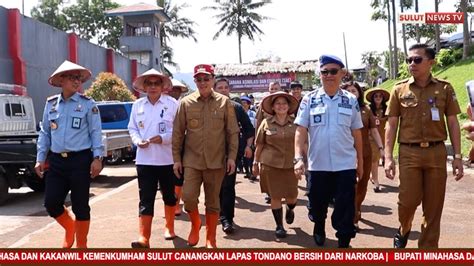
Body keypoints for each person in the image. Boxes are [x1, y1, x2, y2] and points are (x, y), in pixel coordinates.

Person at [385, 43, 463, 248]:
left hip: (436, 152)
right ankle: (404, 228)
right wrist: (387, 157)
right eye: (409, 60)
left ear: (431, 62)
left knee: (434, 206)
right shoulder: (399, 89)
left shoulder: (444, 88)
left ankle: (427, 251)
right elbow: (391, 125)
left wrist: (457, 156)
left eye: (417, 59)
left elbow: (453, 122)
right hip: (409, 152)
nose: (412, 63)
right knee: (407, 202)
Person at [294, 55, 363, 248]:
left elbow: (357, 134)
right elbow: (300, 130)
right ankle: (319, 225)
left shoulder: (350, 100)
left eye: (333, 71)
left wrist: (361, 165)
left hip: (345, 163)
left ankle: (344, 237)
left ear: (342, 74)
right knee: (317, 203)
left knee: (345, 205)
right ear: (320, 74)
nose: (329, 75)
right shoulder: (309, 99)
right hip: (318, 164)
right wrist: (298, 158)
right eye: (325, 72)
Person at [35, 60, 103, 248]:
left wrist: (97, 158)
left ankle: (82, 246)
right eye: (72, 78)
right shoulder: (51, 105)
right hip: (56, 162)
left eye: (78, 78)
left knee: (81, 205)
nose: (76, 81)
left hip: (80, 160)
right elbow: (45, 133)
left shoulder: (88, 104)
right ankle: (70, 227)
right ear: (61, 80)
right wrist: (40, 158)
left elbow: (96, 132)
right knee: (51, 203)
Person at [172, 64, 239, 248]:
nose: (202, 82)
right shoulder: (185, 103)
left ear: (213, 80)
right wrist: (177, 159)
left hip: (217, 161)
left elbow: (232, 132)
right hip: (192, 161)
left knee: (213, 202)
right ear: (195, 81)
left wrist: (232, 157)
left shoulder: (224, 103)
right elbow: (178, 133)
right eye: (198, 79)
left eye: (206, 78)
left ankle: (211, 238)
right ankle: (196, 223)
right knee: (189, 199)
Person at [128, 69, 178, 248]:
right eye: (149, 83)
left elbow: (180, 131)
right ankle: (144, 237)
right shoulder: (137, 105)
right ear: (144, 86)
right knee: (145, 198)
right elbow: (132, 128)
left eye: (157, 83)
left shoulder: (172, 104)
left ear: (163, 86)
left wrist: (163, 139)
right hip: (144, 160)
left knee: (169, 196)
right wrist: (137, 140)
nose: (153, 86)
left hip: (167, 159)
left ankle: (169, 227)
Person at [252, 91, 300, 238]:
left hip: (291, 165)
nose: (281, 106)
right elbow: (259, 144)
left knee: (292, 196)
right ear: (272, 107)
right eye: (278, 103)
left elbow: (302, 144)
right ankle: (279, 226)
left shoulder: (296, 123)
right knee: (275, 196)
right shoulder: (266, 124)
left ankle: (290, 209)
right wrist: (255, 162)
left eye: (284, 103)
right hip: (270, 164)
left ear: (288, 106)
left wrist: (303, 161)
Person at [341, 82, 384, 231]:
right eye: (348, 91)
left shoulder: (366, 110)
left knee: (362, 184)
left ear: (359, 93)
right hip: (344, 154)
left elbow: (374, 130)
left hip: (365, 153)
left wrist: (381, 148)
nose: (352, 93)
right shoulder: (338, 109)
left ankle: (357, 208)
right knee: (349, 185)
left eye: (354, 90)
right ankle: (352, 216)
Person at [214, 77, 254, 234]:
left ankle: (227, 220)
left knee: (228, 187)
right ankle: (218, 213)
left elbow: (249, 129)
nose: (223, 90)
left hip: (231, 154)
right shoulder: (207, 107)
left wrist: (249, 146)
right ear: (214, 89)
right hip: (210, 154)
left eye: (225, 87)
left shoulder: (237, 108)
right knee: (214, 187)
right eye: (220, 87)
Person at [365, 87, 390, 192]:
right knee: (375, 160)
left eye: (380, 96)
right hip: (371, 138)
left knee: (375, 159)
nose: (378, 98)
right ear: (372, 98)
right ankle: (376, 182)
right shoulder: (369, 109)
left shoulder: (386, 109)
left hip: (383, 137)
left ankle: (371, 175)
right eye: (376, 96)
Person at [241, 96, 257, 180]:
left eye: (245, 103)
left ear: (248, 104)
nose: (243, 105)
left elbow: (256, 126)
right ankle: (247, 171)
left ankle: (252, 172)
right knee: (243, 155)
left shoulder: (253, 114)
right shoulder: (239, 113)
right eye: (242, 103)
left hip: (251, 136)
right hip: (242, 136)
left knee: (251, 155)